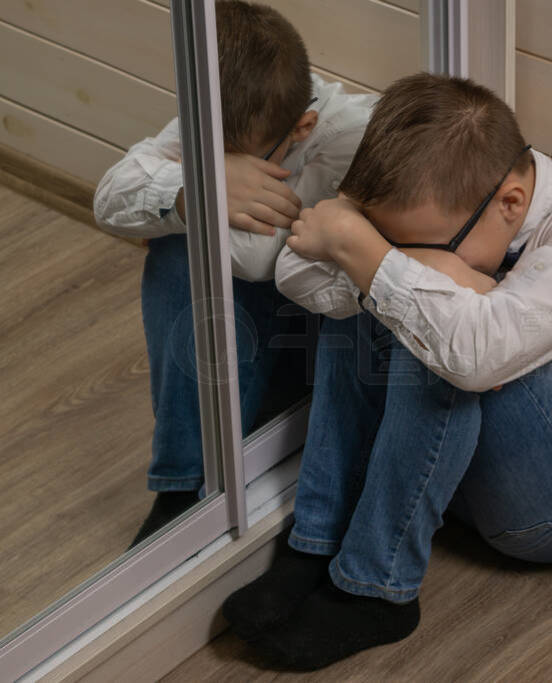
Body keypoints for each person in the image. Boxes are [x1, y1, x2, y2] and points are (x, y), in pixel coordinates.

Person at [221, 72, 552, 671]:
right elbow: (299, 275)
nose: (405, 250)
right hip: (462, 471)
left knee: (435, 330)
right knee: (383, 300)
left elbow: (477, 357)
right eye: (393, 239)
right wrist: (389, 259)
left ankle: (376, 590)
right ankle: (318, 541)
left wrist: (373, 255)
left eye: (431, 243)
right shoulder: (423, 188)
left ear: (511, 204)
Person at [92, 1, 375, 545]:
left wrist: (193, 196)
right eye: (208, 153)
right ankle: (184, 484)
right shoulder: (223, 116)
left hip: (330, 345)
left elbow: (263, 259)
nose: (220, 165)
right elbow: (108, 197)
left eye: (234, 159)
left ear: (302, 126)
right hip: (250, 337)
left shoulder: (350, 138)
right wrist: (192, 188)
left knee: (185, 240)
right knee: (178, 250)